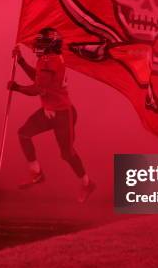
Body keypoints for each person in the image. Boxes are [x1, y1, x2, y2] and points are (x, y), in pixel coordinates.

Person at [7, 27, 96, 203]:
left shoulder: (51, 61)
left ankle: (87, 183)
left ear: (52, 45)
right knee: (23, 133)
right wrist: (22, 62)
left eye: (43, 42)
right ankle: (36, 173)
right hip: (50, 112)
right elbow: (39, 79)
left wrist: (17, 87)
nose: (39, 45)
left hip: (63, 113)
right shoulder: (45, 60)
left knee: (67, 153)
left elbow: (38, 89)